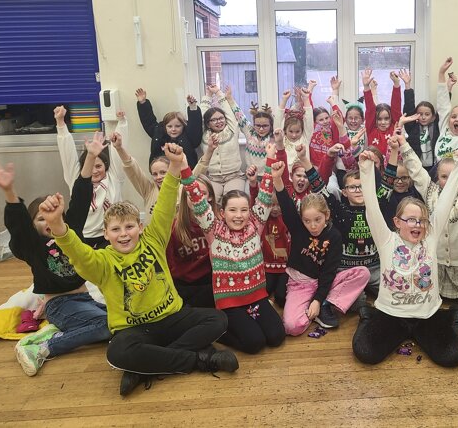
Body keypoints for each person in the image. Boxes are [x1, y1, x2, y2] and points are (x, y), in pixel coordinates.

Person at [37, 143, 238, 396]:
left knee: (218, 319)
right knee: (117, 352)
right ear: (106, 234)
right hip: (135, 330)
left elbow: (165, 204)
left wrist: (175, 166)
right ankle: (200, 360)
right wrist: (57, 225)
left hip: (173, 317)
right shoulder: (102, 262)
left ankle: (145, 367)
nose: (124, 234)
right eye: (116, 229)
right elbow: (77, 252)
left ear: (140, 227)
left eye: (129, 227)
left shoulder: (154, 239)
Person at [0, 134, 111, 377]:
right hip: (60, 305)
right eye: (41, 218)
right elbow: (19, 227)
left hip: (86, 299)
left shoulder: (70, 233)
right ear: (34, 225)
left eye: (52, 216)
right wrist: (9, 192)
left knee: (122, 320)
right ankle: (44, 346)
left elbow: (81, 198)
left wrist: (92, 156)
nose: (48, 221)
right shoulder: (33, 246)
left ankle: (56, 331)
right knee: (106, 325)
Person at [352, 149, 458, 367]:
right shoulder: (386, 239)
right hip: (390, 314)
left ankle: (452, 317)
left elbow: (446, 200)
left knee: (454, 356)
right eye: (411, 220)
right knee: (365, 352)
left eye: (422, 220)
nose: (417, 224)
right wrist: (366, 169)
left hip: (427, 315)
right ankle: (367, 314)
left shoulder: (430, 237)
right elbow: (372, 208)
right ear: (397, 222)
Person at [189, 143, 286, 354]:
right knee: (254, 343)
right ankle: (218, 329)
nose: (239, 215)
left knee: (277, 337)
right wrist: (183, 168)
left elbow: (265, 194)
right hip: (229, 302)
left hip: (256, 297)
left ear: (249, 211)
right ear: (222, 213)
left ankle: (247, 320)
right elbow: (198, 200)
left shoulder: (255, 224)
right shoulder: (213, 229)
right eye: (233, 210)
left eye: (243, 210)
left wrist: (270, 158)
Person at [395, 132, 458, 313]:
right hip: (436, 265)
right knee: (419, 297)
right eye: (444, 176)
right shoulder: (430, 192)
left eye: (454, 176)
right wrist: (403, 143)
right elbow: (416, 169)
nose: (450, 180)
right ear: (438, 178)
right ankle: (452, 299)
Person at [273, 165, 370, 335]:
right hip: (300, 285)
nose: (313, 226)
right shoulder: (298, 228)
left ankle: (325, 304)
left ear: (327, 215)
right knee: (291, 327)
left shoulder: (334, 236)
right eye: (307, 221)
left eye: (317, 220)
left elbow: (329, 272)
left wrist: (318, 300)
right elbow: (286, 204)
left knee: (363, 273)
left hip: (324, 283)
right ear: (301, 220)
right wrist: (277, 179)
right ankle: (310, 307)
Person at [55, 106, 126, 248]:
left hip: (110, 235)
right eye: (91, 166)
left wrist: (122, 122)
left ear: (106, 166)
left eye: (98, 166)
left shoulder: (114, 177)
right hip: (82, 235)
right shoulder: (77, 179)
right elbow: (67, 153)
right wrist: (60, 122)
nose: (94, 171)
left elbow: (118, 152)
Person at [167, 172, 216, 308]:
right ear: (184, 198)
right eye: (191, 194)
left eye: (202, 193)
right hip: (185, 286)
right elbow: (168, 264)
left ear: (210, 197)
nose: (196, 198)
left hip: (211, 282)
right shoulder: (174, 228)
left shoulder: (218, 224)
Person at [247, 163, 291, 308]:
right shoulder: (262, 218)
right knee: (262, 293)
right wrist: (253, 184)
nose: (275, 209)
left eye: (278, 205)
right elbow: (255, 200)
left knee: (281, 297)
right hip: (267, 267)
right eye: (271, 205)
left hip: (285, 267)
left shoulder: (287, 217)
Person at [399, 61, 455, 171]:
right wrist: (407, 86)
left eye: (427, 114)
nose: (423, 117)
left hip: (435, 166)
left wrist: (448, 89)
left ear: (433, 117)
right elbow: (409, 108)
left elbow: (444, 109)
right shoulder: (412, 127)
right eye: (420, 114)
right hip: (417, 167)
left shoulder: (437, 127)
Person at [198, 84, 246, 203]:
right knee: (210, 201)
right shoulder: (204, 135)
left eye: (221, 118)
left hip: (234, 176)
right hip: (213, 178)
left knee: (232, 200)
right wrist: (208, 95)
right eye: (214, 120)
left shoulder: (231, 130)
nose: (218, 122)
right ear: (208, 124)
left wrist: (219, 93)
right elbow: (201, 116)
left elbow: (229, 113)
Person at [135, 87, 203, 170]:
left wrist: (192, 107)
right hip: (161, 173)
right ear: (165, 126)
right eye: (169, 126)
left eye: (177, 126)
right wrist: (143, 103)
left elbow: (195, 127)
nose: (173, 129)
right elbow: (148, 121)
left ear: (183, 126)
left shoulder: (188, 137)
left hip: (184, 174)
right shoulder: (159, 133)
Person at [110, 131, 168, 225]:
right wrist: (119, 148)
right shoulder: (149, 190)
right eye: (155, 174)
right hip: (152, 234)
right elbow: (132, 168)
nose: (159, 177)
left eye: (163, 172)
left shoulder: (182, 191)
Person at [362, 69, 402, 157]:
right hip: (374, 165)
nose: (383, 122)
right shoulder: (371, 129)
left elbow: (396, 107)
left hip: (393, 164)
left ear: (391, 118)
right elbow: (370, 109)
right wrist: (366, 87)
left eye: (386, 118)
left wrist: (396, 84)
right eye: (379, 119)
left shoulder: (394, 127)